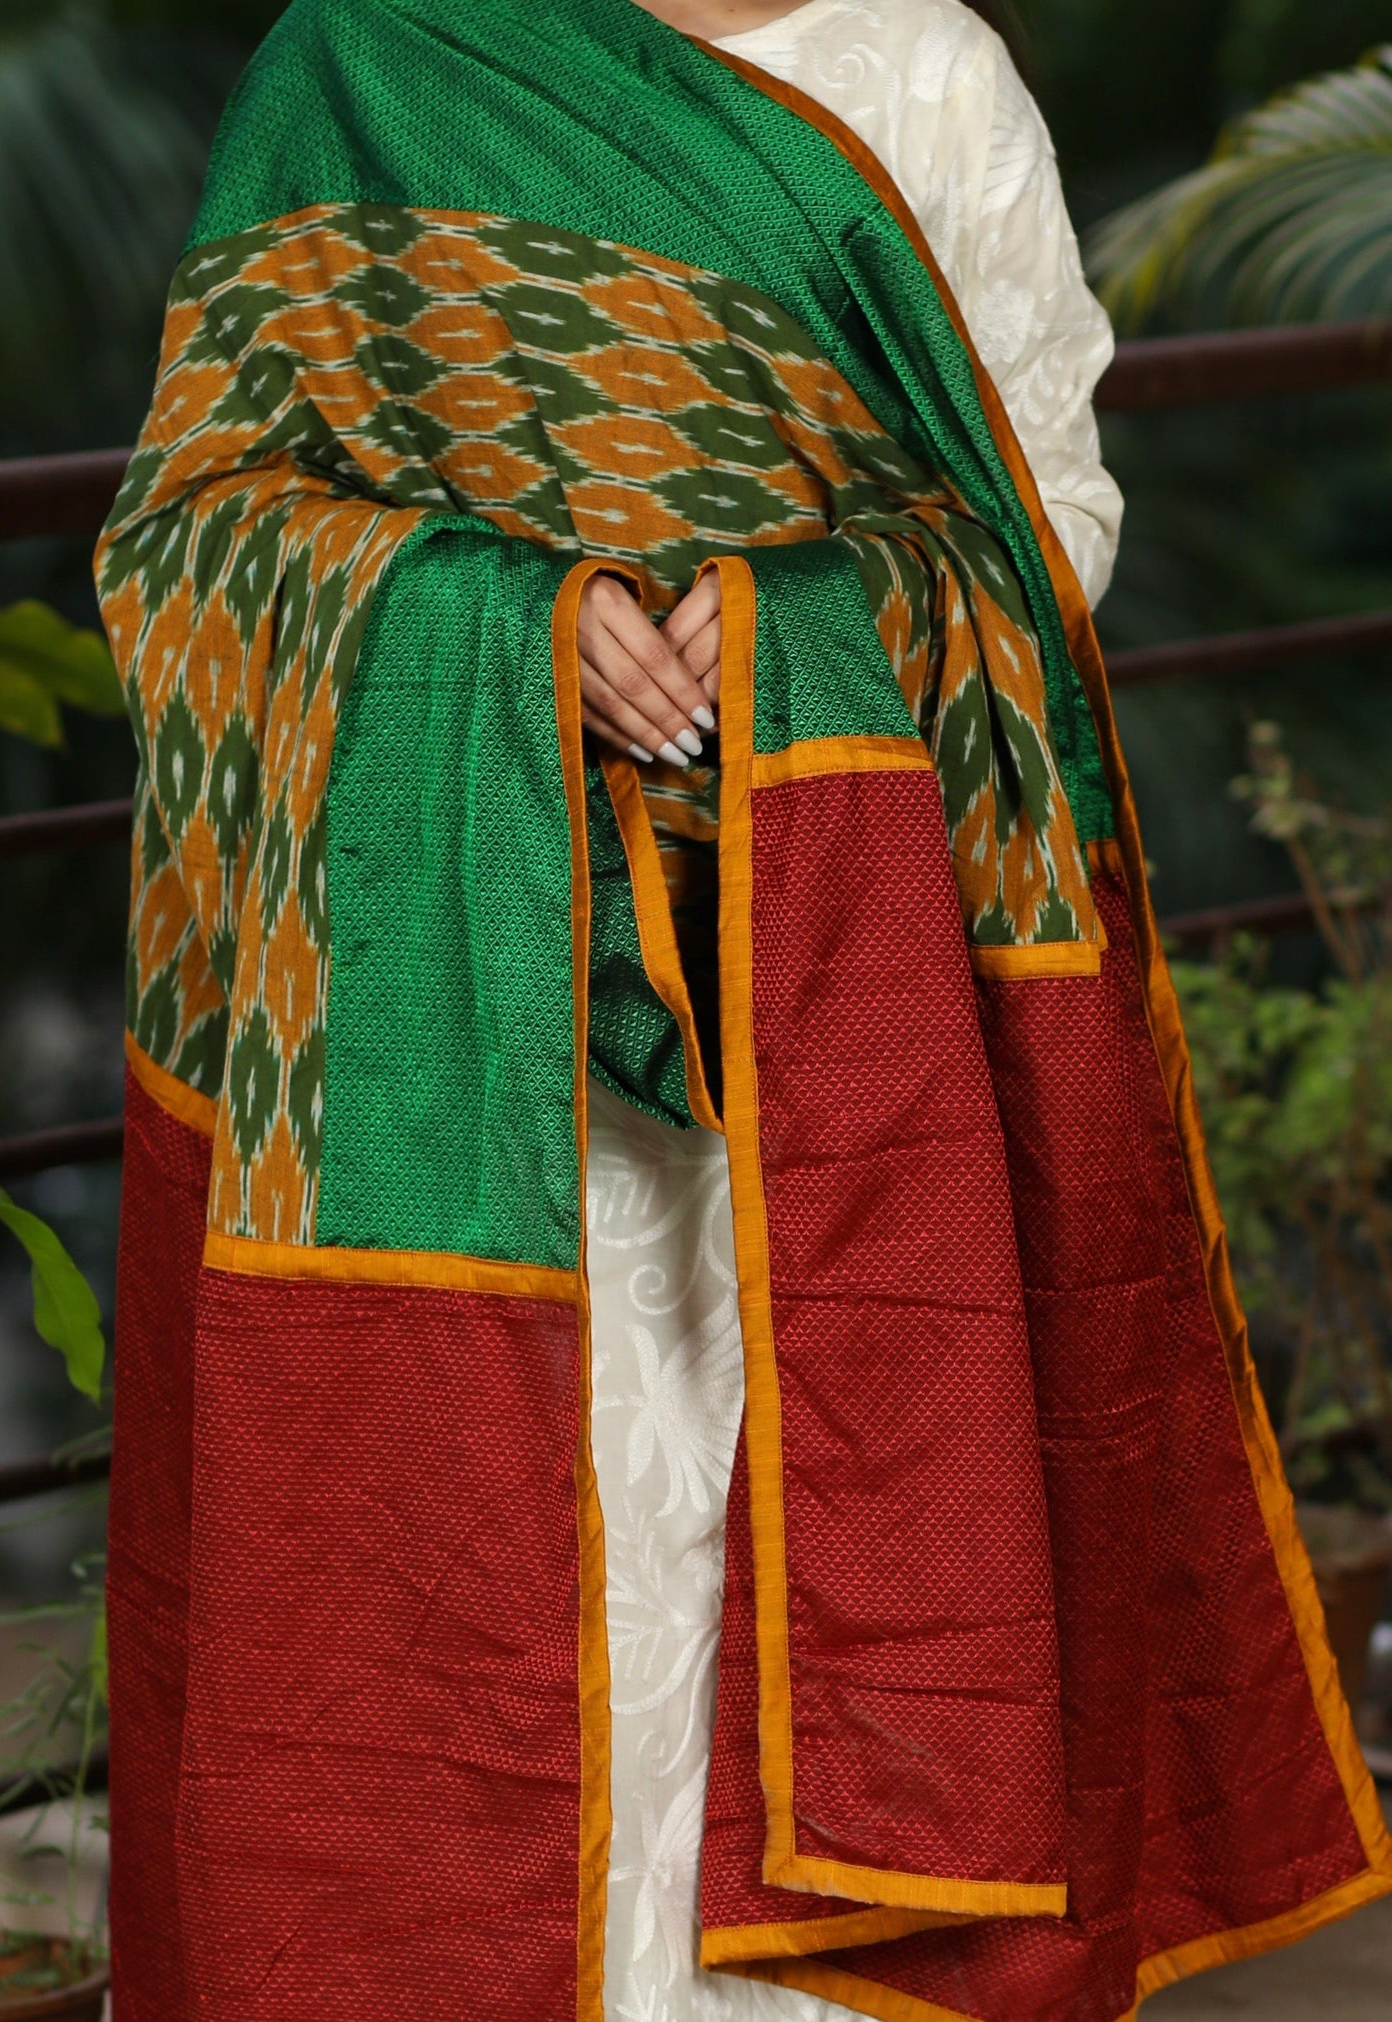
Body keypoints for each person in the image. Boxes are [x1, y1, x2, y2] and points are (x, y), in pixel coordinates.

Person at [95, 4, 1392, 2020]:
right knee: (496, 1578)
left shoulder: (928, 70)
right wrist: (504, 624)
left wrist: (794, 633)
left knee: (801, 1558)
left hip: (839, 1033)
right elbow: (195, 525)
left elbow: (1047, 512)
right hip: (461, 1041)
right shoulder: (370, 61)